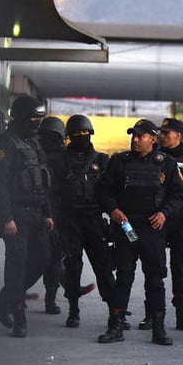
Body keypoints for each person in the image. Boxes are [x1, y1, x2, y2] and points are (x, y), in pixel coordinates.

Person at [95, 119, 183, 345]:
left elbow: (179, 195)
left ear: (153, 139)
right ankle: (115, 326)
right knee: (124, 277)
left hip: (152, 230)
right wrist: (113, 209)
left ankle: (158, 328)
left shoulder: (166, 163)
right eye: (133, 136)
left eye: (141, 136)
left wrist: (165, 213)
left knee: (155, 280)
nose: (135, 140)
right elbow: (103, 191)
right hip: (126, 228)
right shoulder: (119, 161)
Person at [0, 96, 54, 338]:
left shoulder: (34, 141)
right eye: (33, 118)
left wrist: (47, 213)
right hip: (16, 213)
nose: (36, 123)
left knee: (43, 258)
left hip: (36, 212)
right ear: (21, 117)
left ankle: (1, 300)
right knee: (16, 264)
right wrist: (6, 218)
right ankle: (18, 316)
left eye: (39, 119)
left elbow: (41, 179)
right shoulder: (4, 143)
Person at [135, 118, 183, 332]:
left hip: (181, 222)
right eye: (161, 133)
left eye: (167, 133)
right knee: (153, 269)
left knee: (179, 269)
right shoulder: (152, 158)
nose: (163, 136)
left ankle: (181, 316)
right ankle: (151, 315)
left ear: (178, 136)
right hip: (156, 220)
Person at [51, 114, 116, 329]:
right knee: (72, 268)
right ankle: (73, 311)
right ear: (69, 136)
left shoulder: (102, 160)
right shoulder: (59, 161)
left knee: (104, 268)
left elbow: (111, 192)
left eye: (84, 132)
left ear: (90, 133)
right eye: (76, 133)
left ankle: (115, 312)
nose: (81, 135)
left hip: (94, 222)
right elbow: (53, 193)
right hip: (70, 223)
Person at [38, 116, 69, 314]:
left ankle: (51, 298)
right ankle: (50, 299)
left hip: (52, 212)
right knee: (50, 259)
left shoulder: (39, 154)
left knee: (54, 258)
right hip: (40, 211)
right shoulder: (35, 154)